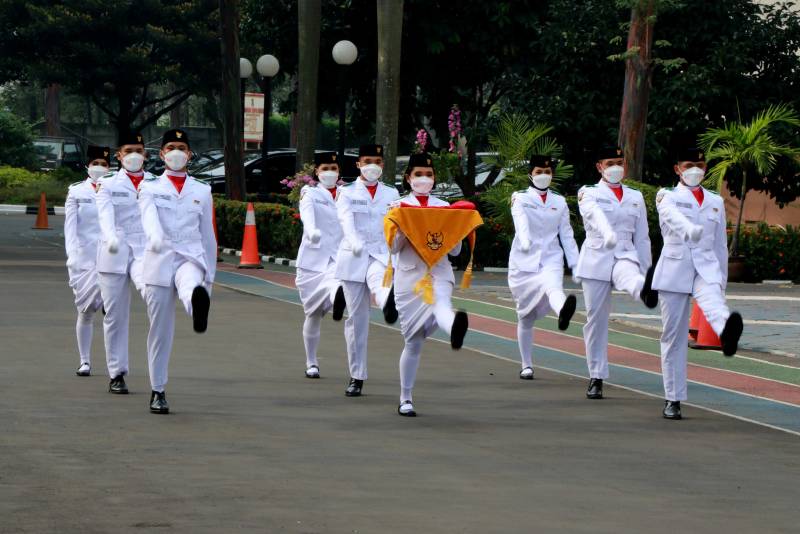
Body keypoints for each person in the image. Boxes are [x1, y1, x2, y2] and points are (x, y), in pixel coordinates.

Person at [652, 147, 743, 420]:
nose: (696, 170)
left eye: (700, 164)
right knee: (673, 336)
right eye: (689, 164)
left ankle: (727, 332)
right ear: (677, 169)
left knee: (714, 303)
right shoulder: (666, 195)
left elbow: (719, 245)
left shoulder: (715, 201)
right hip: (675, 267)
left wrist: (722, 282)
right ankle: (673, 398)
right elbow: (672, 219)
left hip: (706, 267)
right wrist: (689, 230)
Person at [138, 128, 216, 414]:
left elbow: (208, 235)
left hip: (190, 255)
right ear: (161, 154)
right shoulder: (149, 187)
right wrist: (156, 237)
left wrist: (210, 278)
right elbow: (148, 218)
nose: (176, 152)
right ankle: (158, 390)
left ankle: (198, 307)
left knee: (191, 283)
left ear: (189, 154)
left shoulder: (202, 190)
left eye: (181, 147)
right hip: (159, 257)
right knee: (160, 330)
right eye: (171, 147)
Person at [574, 145, 658, 399]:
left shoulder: (635, 196)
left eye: (619, 162)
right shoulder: (588, 192)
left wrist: (647, 268)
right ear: (600, 167)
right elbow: (594, 214)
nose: (615, 167)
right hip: (597, 257)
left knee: (630, 276)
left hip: (624, 253)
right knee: (596, 320)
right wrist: (607, 233)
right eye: (610, 163)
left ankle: (643, 289)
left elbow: (642, 237)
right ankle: (596, 375)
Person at [390, 153, 469, 416]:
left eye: (429, 175)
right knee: (413, 341)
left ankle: (455, 327)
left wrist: (458, 227)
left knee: (441, 303)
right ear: (408, 178)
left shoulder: (445, 206)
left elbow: (456, 252)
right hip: (410, 279)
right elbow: (392, 247)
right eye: (419, 175)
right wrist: (405, 225)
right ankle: (405, 397)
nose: (424, 179)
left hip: (439, 272)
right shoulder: (397, 205)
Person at [334, 144, 400, 397]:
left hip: (381, 255)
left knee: (380, 285)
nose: (372, 165)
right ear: (358, 164)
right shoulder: (347, 192)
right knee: (357, 320)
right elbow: (345, 220)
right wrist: (353, 241)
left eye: (377, 161)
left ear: (382, 164)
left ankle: (387, 303)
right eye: (367, 161)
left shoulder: (391, 194)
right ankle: (356, 375)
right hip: (353, 256)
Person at [508, 155, 579, 380]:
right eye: (539, 171)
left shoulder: (559, 202)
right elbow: (520, 221)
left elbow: (566, 234)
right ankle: (526, 364)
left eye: (547, 171)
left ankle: (563, 312)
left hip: (551, 257)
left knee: (553, 288)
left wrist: (576, 262)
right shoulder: (520, 198)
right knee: (525, 316)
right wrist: (526, 240)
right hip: (524, 262)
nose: (543, 175)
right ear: (531, 173)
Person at [96, 132, 151, 394]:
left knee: (151, 293)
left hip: (145, 250)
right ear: (118, 155)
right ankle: (117, 372)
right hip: (114, 250)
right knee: (115, 316)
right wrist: (110, 237)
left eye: (138, 150)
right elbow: (105, 215)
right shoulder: (107, 183)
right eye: (128, 150)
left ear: (146, 154)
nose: (134, 155)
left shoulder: (155, 183)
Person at [295, 152, 344, 379]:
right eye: (325, 168)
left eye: (333, 168)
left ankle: (339, 298)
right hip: (313, 262)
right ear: (317, 171)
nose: (330, 172)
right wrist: (311, 231)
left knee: (337, 284)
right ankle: (311, 361)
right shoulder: (310, 193)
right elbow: (307, 215)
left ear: (339, 171)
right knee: (313, 314)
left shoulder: (347, 195)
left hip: (339, 259)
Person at [64, 145, 110, 376]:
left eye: (103, 164)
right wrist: (72, 256)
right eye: (95, 164)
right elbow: (70, 228)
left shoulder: (116, 190)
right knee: (85, 310)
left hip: (111, 256)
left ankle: (116, 365)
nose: (99, 168)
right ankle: (85, 361)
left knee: (112, 310)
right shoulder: (76, 192)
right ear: (87, 166)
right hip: (84, 258)